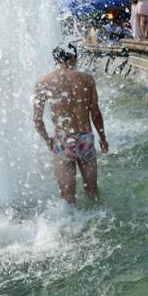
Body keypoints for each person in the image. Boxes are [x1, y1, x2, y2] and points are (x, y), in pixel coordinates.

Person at [33, 42, 109, 205]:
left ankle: (71, 228)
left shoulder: (43, 82)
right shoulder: (87, 79)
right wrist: (103, 138)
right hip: (85, 139)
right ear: (74, 57)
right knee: (92, 192)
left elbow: (37, 120)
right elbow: (95, 113)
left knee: (67, 198)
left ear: (56, 59)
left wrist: (48, 141)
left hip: (62, 140)